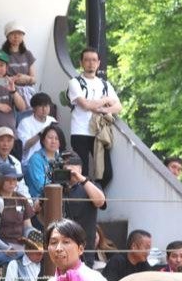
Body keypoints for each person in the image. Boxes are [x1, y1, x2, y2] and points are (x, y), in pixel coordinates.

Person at [67, 47, 120, 186]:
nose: (91, 63)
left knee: (106, 173)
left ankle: (94, 198)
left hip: (99, 132)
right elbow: (85, 105)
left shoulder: (105, 84)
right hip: (80, 132)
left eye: (94, 60)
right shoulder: (75, 82)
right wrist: (105, 101)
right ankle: (84, 202)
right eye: (87, 60)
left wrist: (99, 108)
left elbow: (118, 107)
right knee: (81, 172)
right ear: (81, 63)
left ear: (98, 63)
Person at [59, 150, 106, 253]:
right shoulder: (56, 186)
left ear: (80, 168)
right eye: (65, 164)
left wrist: (81, 179)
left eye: (73, 164)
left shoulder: (90, 185)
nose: (68, 168)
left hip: (84, 245)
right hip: (60, 244)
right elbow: (38, 209)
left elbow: (100, 202)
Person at [1, 21, 37, 122]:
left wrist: (27, 79)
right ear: (7, 36)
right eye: (13, 34)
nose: (16, 36)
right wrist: (14, 80)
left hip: (27, 96)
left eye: (19, 34)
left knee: (26, 122)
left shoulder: (28, 54)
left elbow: (34, 80)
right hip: (8, 96)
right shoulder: (1, 55)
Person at [24, 123, 65, 199]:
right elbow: (41, 186)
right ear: (43, 140)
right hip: (40, 199)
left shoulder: (61, 159)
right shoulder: (35, 159)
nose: (53, 141)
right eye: (50, 137)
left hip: (59, 196)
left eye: (57, 138)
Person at [17, 93, 55, 163]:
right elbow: (23, 146)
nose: (44, 109)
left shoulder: (52, 120)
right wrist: (41, 133)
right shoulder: (25, 122)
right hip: (30, 162)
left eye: (46, 106)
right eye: (41, 106)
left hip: (50, 161)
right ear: (34, 108)